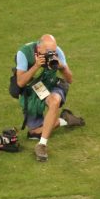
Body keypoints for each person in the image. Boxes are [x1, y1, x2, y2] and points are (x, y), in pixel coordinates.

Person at [15, 34, 83, 162]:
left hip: (52, 84)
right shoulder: (24, 52)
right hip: (37, 86)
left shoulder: (58, 52)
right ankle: (65, 120)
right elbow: (20, 83)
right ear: (39, 48)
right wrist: (36, 66)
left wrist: (62, 66)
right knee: (34, 133)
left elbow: (70, 79)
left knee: (54, 101)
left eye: (54, 50)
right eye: (48, 51)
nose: (52, 53)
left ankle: (42, 145)